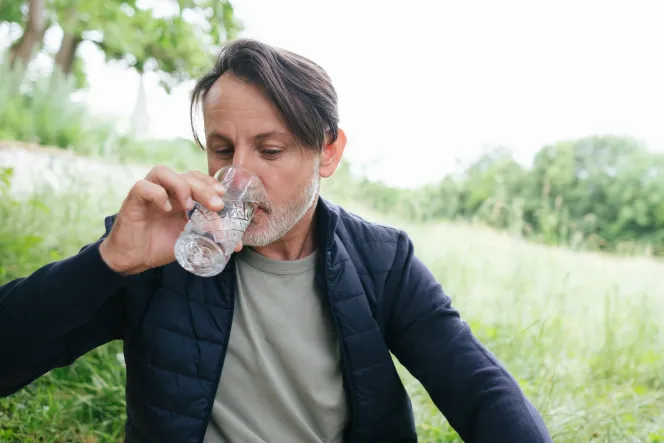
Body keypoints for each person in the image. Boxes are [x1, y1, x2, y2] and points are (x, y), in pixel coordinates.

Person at [0, 38, 552, 443]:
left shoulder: (383, 260)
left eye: (270, 151)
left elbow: (481, 391)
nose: (239, 176)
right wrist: (108, 262)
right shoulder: (158, 249)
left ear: (328, 152)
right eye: (221, 149)